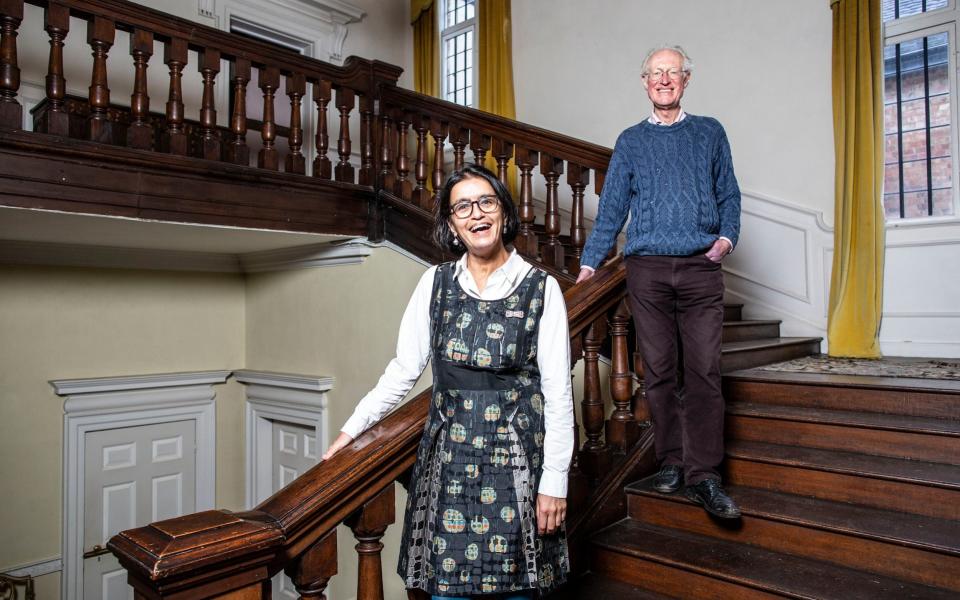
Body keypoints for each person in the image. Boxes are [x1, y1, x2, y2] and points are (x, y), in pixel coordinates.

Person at [323, 165, 574, 598]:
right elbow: (403, 369)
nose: (476, 213)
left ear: (503, 212)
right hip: (449, 461)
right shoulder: (434, 284)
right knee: (447, 591)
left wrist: (554, 481)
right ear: (452, 223)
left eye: (486, 202)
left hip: (516, 463)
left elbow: (558, 394)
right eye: (462, 206)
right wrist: (352, 427)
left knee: (516, 589)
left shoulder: (541, 288)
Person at [576, 44, 742, 519]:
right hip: (646, 270)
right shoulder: (630, 140)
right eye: (656, 73)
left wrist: (726, 239)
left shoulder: (710, 132)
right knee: (661, 372)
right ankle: (671, 459)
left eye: (673, 72)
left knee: (705, 372)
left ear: (687, 79)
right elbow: (612, 210)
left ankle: (705, 474)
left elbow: (729, 192)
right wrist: (591, 262)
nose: (664, 80)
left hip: (699, 267)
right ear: (645, 82)